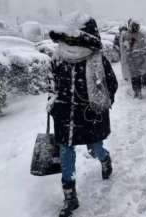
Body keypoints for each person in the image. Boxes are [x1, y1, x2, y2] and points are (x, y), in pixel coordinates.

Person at [47, 12, 118, 217]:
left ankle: (104, 159)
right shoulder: (58, 58)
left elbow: (111, 85)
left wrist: (100, 103)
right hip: (64, 116)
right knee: (65, 153)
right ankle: (70, 197)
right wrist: (52, 103)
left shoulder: (97, 60)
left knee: (95, 148)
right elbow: (51, 85)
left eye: (75, 38)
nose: (71, 43)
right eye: (68, 38)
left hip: (88, 116)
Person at [120, 20, 146, 99]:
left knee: (138, 76)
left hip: (139, 60)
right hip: (131, 59)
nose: (135, 28)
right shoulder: (126, 35)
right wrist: (128, 49)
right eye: (134, 26)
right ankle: (135, 91)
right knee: (133, 77)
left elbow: (145, 46)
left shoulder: (141, 35)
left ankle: (139, 91)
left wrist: (141, 52)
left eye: (136, 26)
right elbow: (124, 47)